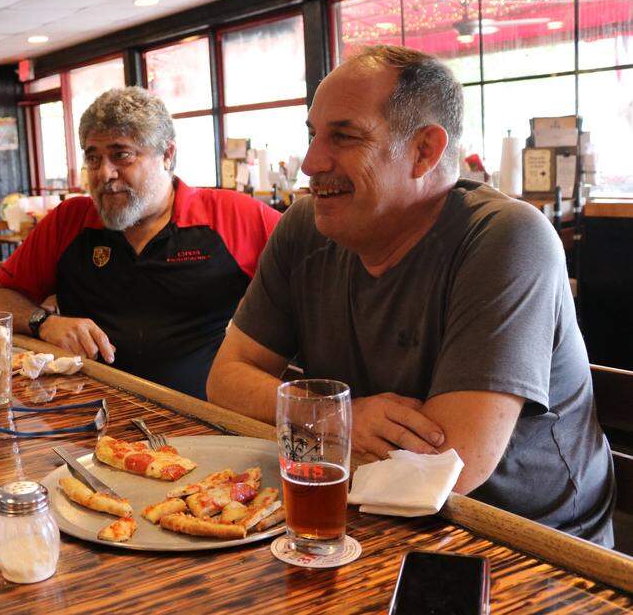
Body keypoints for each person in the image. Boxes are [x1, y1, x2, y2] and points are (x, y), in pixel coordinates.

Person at [207, 45, 614, 545]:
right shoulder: (304, 228)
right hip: (365, 521)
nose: (311, 163)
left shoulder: (507, 237)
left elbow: (442, 470)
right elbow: (224, 380)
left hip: (527, 549)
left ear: (424, 150)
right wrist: (341, 417)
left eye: (344, 136)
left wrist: (302, 420)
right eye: (313, 135)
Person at [0, 87, 281, 399]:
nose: (104, 173)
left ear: (167, 155)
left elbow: (310, 269)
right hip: (84, 409)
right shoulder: (69, 220)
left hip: (203, 415)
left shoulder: (232, 215)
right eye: (93, 158)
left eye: (121, 154)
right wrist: (44, 322)